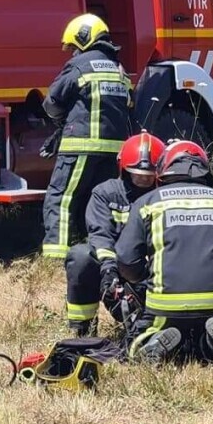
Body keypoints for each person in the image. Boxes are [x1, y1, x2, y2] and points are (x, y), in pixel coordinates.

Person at [115, 141, 213, 366]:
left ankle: (154, 337)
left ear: (164, 168)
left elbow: (126, 260)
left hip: (165, 303)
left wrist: (146, 281)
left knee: (133, 345)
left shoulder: (147, 203)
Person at [40, 13, 133, 259]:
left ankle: (55, 257)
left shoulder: (80, 65)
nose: (72, 53)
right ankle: (103, 253)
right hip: (115, 152)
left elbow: (53, 102)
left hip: (81, 146)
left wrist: (60, 122)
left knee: (61, 199)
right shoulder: (119, 69)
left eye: (73, 47)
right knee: (101, 203)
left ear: (83, 38)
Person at [65, 131, 166, 337]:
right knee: (81, 257)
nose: (143, 179)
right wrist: (109, 273)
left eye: (149, 175)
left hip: (154, 268)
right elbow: (100, 235)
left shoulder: (165, 196)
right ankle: (83, 330)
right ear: (123, 168)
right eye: (137, 173)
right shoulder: (105, 194)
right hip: (114, 267)